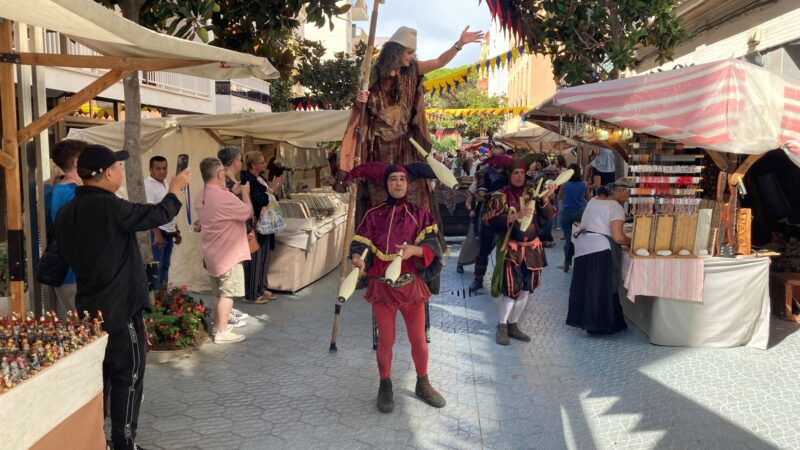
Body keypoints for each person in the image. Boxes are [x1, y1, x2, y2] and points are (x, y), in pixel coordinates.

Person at [55, 144, 190, 450]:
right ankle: (123, 443)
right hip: (121, 307)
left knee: (99, 379)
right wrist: (176, 189)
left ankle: (98, 439)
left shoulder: (67, 211)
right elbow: (157, 213)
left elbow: (52, 264)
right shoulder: (110, 207)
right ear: (105, 175)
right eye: (115, 168)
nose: (118, 172)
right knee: (127, 378)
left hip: (88, 307)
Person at [351, 25, 483, 241]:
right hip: (380, 145)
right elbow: (360, 106)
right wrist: (360, 100)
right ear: (396, 51)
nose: (412, 57)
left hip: (406, 143)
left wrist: (459, 44)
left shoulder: (412, 70)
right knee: (379, 190)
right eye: (409, 52)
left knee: (414, 189)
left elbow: (439, 62)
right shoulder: (373, 73)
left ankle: (414, 237)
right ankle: (379, 238)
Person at [346, 162, 445, 414]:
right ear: (386, 184)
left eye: (402, 179)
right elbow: (361, 245)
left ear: (408, 183)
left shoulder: (420, 214)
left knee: (418, 340)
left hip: (412, 287)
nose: (398, 183)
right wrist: (357, 259)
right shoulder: (372, 215)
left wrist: (416, 249)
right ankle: (385, 384)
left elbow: (433, 247)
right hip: (383, 290)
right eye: (393, 180)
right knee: (386, 341)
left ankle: (423, 383)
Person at [483, 160, 556, 345]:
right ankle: (502, 326)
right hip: (512, 250)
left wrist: (546, 197)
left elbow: (549, 215)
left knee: (526, 290)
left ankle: (513, 324)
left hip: (533, 249)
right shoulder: (501, 195)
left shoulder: (534, 193)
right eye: (515, 173)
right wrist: (514, 216)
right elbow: (488, 219)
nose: (519, 176)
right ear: (510, 175)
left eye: (522, 173)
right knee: (510, 291)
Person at [195, 157, 253, 344]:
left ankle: (219, 325)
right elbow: (246, 212)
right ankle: (222, 331)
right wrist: (244, 193)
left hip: (212, 253)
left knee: (217, 292)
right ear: (220, 174)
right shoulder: (223, 197)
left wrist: (231, 191)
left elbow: (218, 208)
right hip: (229, 253)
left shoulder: (201, 194)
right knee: (227, 292)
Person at [566, 178, 633, 335]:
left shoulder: (594, 200)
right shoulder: (615, 207)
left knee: (588, 286)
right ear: (621, 190)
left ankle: (594, 322)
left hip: (583, 246)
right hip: (600, 248)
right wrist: (633, 241)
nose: (628, 197)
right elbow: (617, 237)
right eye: (628, 193)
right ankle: (602, 325)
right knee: (604, 286)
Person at [47, 139, 87, 316]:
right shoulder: (72, 192)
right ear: (77, 163)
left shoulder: (60, 189)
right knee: (87, 327)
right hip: (73, 273)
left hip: (68, 271)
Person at [469, 145, 513, 293]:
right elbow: (480, 194)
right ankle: (478, 278)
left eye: (500, 156)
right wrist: (498, 195)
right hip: (488, 215)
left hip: (508, 214)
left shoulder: (510, 172)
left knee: (510, 250)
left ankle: (507, 280)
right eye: (495, 156)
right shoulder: (483, 172)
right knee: (484, 249)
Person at [215, 146, 250, 326]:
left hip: (224, 241)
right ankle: (224, 322)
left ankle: (226, 313)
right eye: (240, 159)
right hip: (227, 242)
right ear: (235, 162)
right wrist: (245, 195)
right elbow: (244, 212)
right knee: (226, 287)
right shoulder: (225, 184)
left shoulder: (225, 182)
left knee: (223, 287)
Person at [240, 151, 277, 304]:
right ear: (254, 165)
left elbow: (270, 198)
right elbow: (258, 201)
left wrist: (271, 191)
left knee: (263, 259)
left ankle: (261, 287)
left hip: (265, 224)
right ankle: (252, 294)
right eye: (261, 162)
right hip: (255, 225)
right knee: (255, 259)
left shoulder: (259, 178)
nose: (264, 164)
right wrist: (271, 191)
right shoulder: (248, 180)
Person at [145, 155, 181, 289]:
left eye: (164, 168)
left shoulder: (166, 183)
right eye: (158, 168)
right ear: (150, 169)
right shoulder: (148, 185)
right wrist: (157, 234)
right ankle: (156, 301)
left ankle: (163, 298)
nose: (162, 171)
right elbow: (150, 212)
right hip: (158, 231)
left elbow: (170, 210)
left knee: (165, 266)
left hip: (169, 231)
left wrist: (176, 231)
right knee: (157, 267)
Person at [557, 164, 591, 272]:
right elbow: (588, 199)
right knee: (580, 238)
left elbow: (559, 197)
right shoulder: (584, 185)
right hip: (580, 214)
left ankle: (566, 263)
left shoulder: (564, 185)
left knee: (568, 239)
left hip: (566, 213)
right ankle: (581, 263)